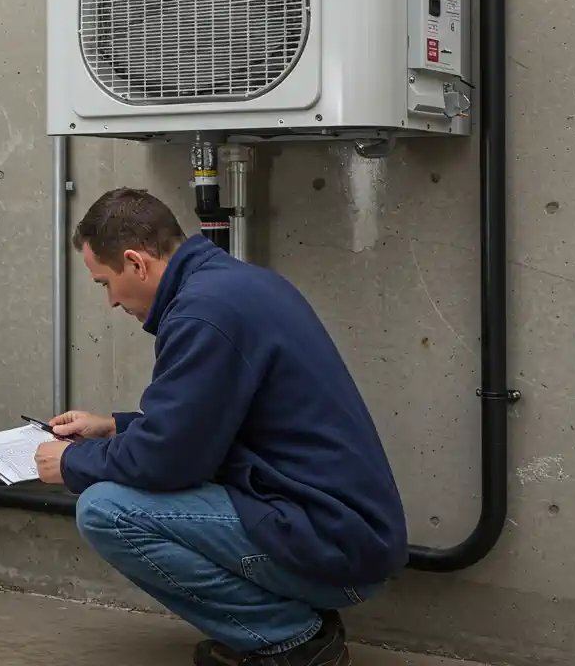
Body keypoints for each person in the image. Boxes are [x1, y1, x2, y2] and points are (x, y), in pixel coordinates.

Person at [33, 187, 407, 666]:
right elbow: (207, 424)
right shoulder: (236, 287)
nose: (109, 301)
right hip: (340, 533)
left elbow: (171, 461)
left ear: (136, 263)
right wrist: (111, 427)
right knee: (118, 490)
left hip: (333, 547)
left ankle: (292, 639)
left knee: (106, 509)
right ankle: (294, 617)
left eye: (104, 282)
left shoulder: (201, 314)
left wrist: (71, 462)